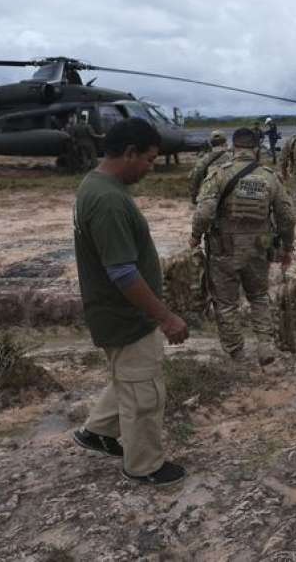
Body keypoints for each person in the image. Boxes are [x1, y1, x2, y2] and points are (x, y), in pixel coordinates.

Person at [72, 118, 189, 487]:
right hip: (126, 315)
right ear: (129, 153)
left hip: (115, 312)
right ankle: (144, 465)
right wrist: (166, 317)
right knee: (143, 391)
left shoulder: (96, 183)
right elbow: (122, 273)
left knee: (128, 377)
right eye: (150, 160)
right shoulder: (107, 200)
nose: (151, 168)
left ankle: (97, 431)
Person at [191, 128, 295, 365]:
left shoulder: (219, 174)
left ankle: (237, 352)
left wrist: (195, 236)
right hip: (259, 247)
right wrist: (287, 247)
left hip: (223, 249)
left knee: (226, 303)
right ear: (256, 148)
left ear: (233, 147)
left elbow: (204, 212)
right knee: (258, 296)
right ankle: (265, 346)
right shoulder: (270, 177)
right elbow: (287, 217)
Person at [188, 129, 230, 203]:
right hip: (229, 197)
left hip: (209, 197)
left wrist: (194, 197)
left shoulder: (204, 159)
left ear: (211, 143)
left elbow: (195, 178)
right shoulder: (232, 157)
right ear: (225, 142)